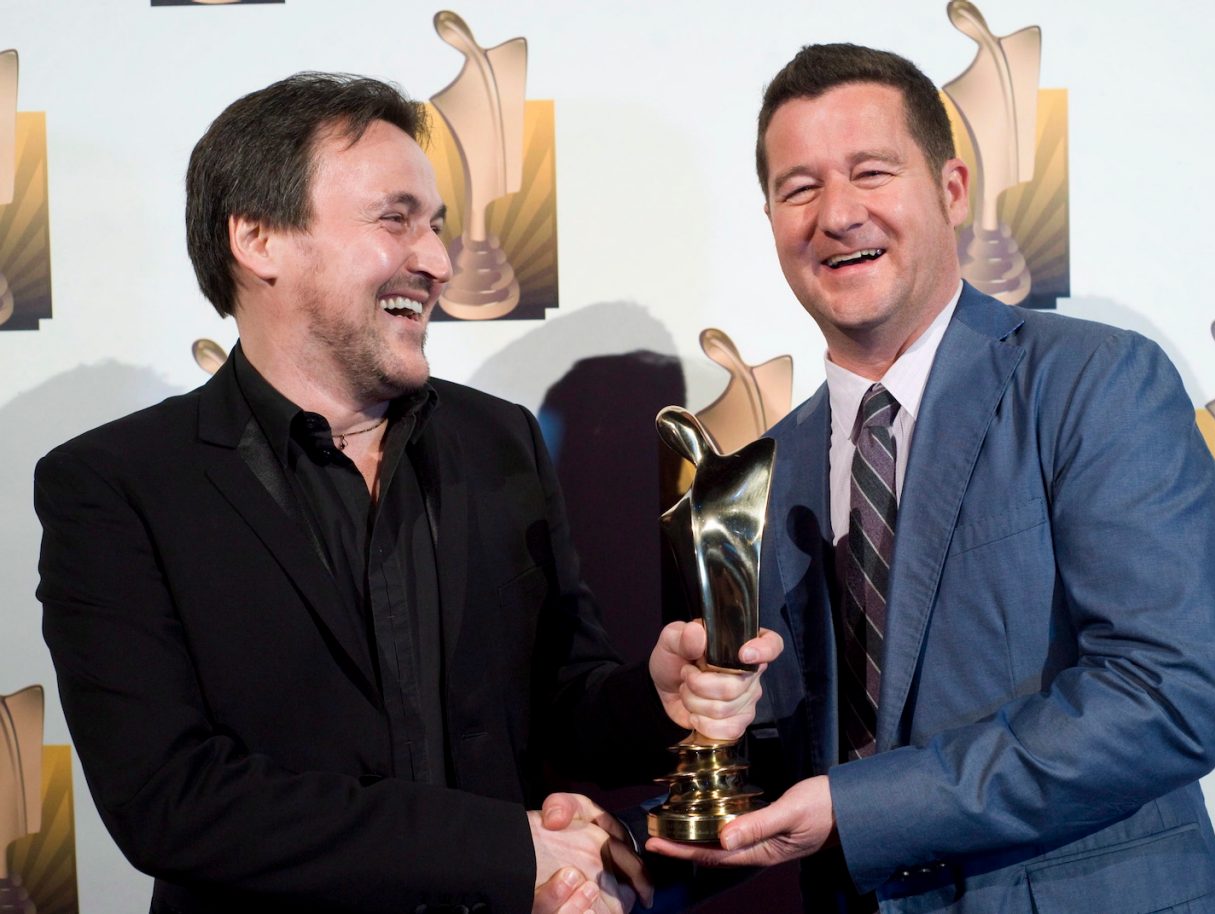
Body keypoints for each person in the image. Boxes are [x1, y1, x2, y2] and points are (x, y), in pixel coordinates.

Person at [34, 72, 781, 914]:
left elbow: (563, 703)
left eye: (436, 227)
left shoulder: (499, 442)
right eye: (395, 220)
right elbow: (171, 802)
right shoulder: (117, 485)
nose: (435, 262)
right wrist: (504, 850)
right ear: (257, 238)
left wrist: (656, 696)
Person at [648, 43, 1215, 913]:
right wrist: (703, 713)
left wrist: (859, 809)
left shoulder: (1095, 382)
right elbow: (805, 761)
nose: (837, 214)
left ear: (952, 190)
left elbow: (1163, 697)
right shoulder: (767, 472)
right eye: (798, 188)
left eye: (871, 172)